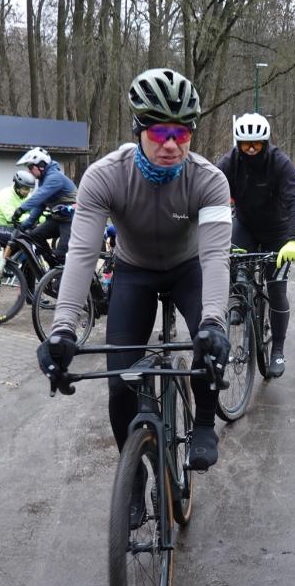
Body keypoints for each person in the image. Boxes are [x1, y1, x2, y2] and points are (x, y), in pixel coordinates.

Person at [37, 68, 232, 470]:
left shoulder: (209, 180)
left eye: (182, 132)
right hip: (134, 271)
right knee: (119, 385)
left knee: (209, 348)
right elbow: (82, 253)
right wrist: (63, 328)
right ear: (138, 130)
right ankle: (135, 476)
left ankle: (204, 423)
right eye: (160, 132)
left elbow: (215, 255)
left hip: (188, 267)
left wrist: (214, 321)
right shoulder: (105, 176)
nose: (171, 144)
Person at [216, 112, 295, 378]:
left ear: (265, 142)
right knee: (234, 264)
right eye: (246, 144)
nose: (251, 149)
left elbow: (294, 201)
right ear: (238, 144)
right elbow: (211, 191)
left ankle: (277, 349)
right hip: (246, 225)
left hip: (277, 231)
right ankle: (239, 301)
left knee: (276, 289)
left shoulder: (280, 163)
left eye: (256, 143)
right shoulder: (229, 163)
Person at [13, 147, 78, 260]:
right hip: (59, 219)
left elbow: (39, 196)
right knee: (35, 236)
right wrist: (25, 225)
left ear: (41, 165)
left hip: (72, 220)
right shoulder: (43, 180)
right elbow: (40, 205)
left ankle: (60, 266)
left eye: (30, 167)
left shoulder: (55, 177)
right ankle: (52, 265)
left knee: (61, 255)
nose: (29, 171)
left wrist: (21, 209)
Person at [0, 170, 36, 244]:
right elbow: (11, 217)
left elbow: (35, 210)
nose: (27, 192)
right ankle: (8, 252)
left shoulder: (26, 196)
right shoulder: (5, 195)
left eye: (29, 189)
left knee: (34, 236)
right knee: (21, 239)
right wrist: (32, 217)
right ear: (17, 186)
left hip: (12, 227)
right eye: (25, 188)